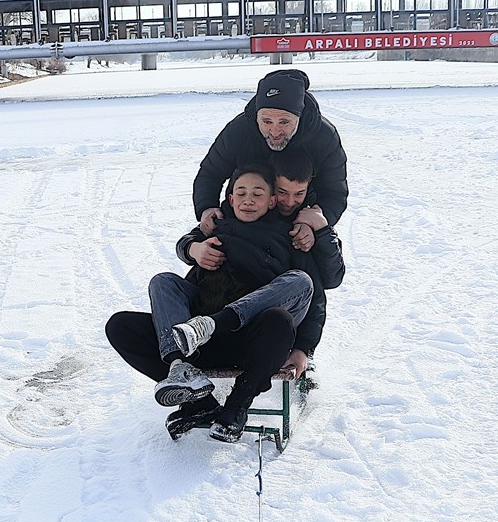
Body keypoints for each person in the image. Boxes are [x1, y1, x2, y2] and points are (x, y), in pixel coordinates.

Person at [106, 165, 345, 443]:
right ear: (230, 199)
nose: (248, 199)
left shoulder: (291, 237)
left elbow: (313, 298)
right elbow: (186, 265)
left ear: (272, 201)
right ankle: (192, 390)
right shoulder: (212, 232)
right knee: (139, 307)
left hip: (254, 344)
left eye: (257, 194)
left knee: (299, 285)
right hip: (197, 344)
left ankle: (236, 406)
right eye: (240, 193)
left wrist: (304, 349)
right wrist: (193, 247)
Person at [193, 69, 348, 250]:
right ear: (257, 115)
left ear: (299, 116)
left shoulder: (324, 137)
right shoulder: (239, 130)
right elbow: (210, 173)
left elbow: (334, 192)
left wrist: (315, 222)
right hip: (246, 215)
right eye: (266, 122)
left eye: (284, 122)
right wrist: (207, 208)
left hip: (297, 220)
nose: (275, 132)